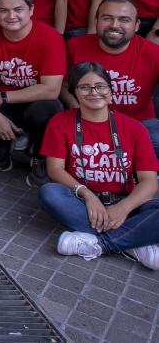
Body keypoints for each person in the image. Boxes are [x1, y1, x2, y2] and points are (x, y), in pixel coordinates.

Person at [39, 62, 159, 270]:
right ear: (74, 92)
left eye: (100, 86)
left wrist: (123, 207)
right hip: (84, 203)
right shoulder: (60, 122)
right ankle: (135, 243)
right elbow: (55, 170)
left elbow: (149, 181)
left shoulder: (134, 128)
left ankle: (101, 244)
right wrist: (88, 195)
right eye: (84, 87)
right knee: (50, 193)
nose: (94, 92)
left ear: (111, 91)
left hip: (126, 204)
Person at [0, 0, 66, 187]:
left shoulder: (51, 38)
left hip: (33, 101)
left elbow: (51, 89)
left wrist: (1, 98)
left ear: (31, 10)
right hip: (2, 104)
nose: (11, 16)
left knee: (49, 108)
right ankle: (3, 143)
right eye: (4, 10)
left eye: (18, 9)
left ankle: (41, 157)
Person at [63, 0, 159, 156]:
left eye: (124, 20)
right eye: (107, 18)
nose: (114, 25)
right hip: (88, 119)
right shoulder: (75, 46)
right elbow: (63, 85)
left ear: (136, 26)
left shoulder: (154, 53)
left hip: (139, 123)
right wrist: (76, 107)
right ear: (96, 21)